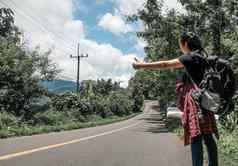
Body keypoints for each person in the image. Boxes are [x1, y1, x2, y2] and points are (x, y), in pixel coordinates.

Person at [132, 32, 219, 166]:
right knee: (208, 136)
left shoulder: (189, 57)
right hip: (207, 100)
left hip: (195, 102)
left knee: (195, 136)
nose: (180, 48)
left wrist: (142, 65)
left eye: (180, 45)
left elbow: (165, 65)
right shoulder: (203, 58)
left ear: (185, 44)